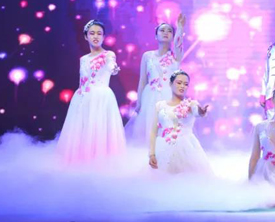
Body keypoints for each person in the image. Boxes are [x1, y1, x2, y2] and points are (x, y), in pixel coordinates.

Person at [57, 20, 126, 163]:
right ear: (86, 36)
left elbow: (111, 66)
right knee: (83, 130)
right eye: (92, 33)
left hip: (101, 97)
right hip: (82, 97)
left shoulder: (108, 54)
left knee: (99, 129)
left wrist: (113, 68)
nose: (95, 36)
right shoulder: (83, 59)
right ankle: (81, 161)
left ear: (104, 37)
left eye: (99, 33)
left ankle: (100, 162)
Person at [126, 14, 186, 144]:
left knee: (169, 130)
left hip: (169, 95)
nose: (166, 33)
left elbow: (178, 44)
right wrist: (139, 102)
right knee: (150, 130)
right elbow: (142, 81)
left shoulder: (175, 55)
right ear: (156, 36)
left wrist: (180, 28)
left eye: (169, 31)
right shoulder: (147, 56)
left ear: (173, 37)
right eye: (162, 30)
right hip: (150, 96)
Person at [149, 70, 211, 173]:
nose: (182, 86)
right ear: (170, 84)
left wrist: (202, 112)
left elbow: (197, 112)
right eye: (179, 83)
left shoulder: (191, 104)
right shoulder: (160, 105)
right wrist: (151, 154)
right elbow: (153, 131)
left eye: (186, 84)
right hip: (163, 148)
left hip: (186, 148)